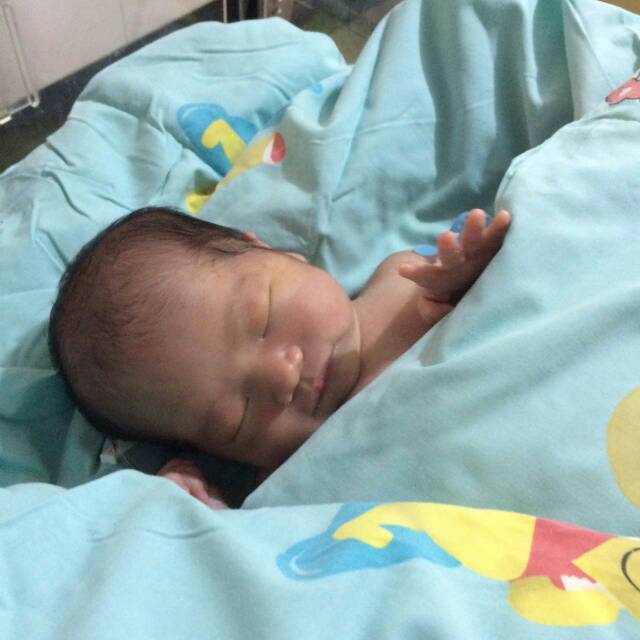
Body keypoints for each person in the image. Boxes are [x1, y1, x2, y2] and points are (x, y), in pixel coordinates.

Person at [48, 206, 510, 507]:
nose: (281, 376)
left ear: (272, 251)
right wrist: (196, 492)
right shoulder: (284, 475)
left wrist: (467, 275)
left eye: (263, 318)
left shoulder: (405, 282)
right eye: (236, 418)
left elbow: (514, 283)